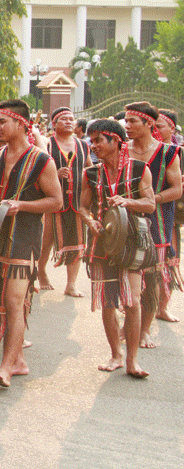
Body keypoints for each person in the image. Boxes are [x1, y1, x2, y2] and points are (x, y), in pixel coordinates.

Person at [0, 99, 62, 388]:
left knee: (14, 301)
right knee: (2, 300)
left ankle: (6, 366)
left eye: (2, 122)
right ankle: (18, 361)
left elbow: (57, 201)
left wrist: (22, 205)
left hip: (24, 240)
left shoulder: (42, 160)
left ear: (21, 123)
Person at [80, 119, 153, 378]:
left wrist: (128, 201)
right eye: (91, 139)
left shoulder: (139, 169)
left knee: (132, 303)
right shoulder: (91, 173)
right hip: (102, 243)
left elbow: (150, 204)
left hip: (131, 244)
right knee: (109, 302)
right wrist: (91, 221)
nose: (93, 145)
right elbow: (82, 207)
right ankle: (116, 355)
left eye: (99, 139)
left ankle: (132, 360)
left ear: (116, 140)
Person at [124, 102, 182, 348]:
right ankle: (129, 327)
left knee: (153, 279)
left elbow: (177, 189)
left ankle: (144, 330)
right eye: (125, 121)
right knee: (124, 279)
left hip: (157, 224)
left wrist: (150, 200)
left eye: (132, 121)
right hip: (124, 223)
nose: (127, 126)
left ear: (149, 123)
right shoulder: (121, 149)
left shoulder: (169, 152)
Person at [38, 107, 90, 296]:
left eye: (71, 119)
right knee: (46, 240)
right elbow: (38, 168)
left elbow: (89, 168)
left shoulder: (83, 145)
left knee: (77, 241)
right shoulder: (48, 144)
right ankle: (41, 271)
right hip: (53, 199)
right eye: (64, 119)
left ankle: (71, 284)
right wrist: (54, 174)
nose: (69, 122)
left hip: (76, 199)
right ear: (54, 124)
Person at [156, 108, 182, 323]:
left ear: (172, 128)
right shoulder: (139, 149)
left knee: (169, 262)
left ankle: (162, 307)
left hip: (169, 217)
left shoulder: (178, 152)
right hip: (142, 216)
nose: (154, 130)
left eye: (159, 126)